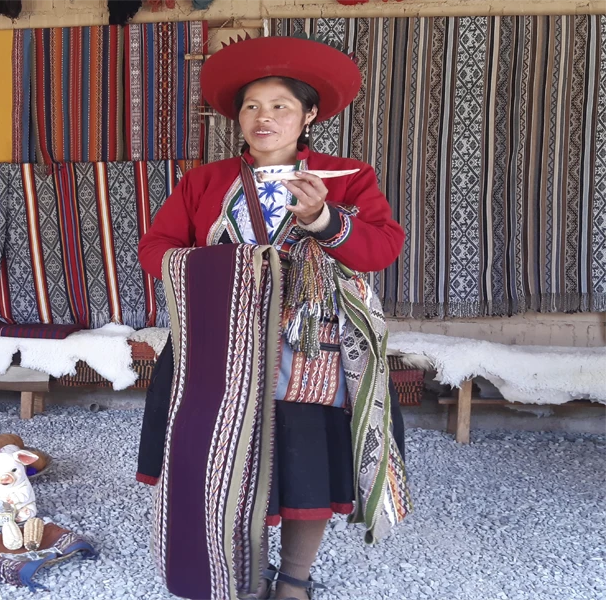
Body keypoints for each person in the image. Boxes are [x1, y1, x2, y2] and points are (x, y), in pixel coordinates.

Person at [136, 36, 410, 600]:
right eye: (252, 106)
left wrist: (325, 219)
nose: (265, 118)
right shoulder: (204, 182)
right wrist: (235, 270)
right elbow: (156, 247)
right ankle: (236, 564)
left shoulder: (347, 177)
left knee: (304, 461)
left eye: (281, 105)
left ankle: (294, 579)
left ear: (309, 115)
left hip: (309, 348)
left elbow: (381, 248)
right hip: (219, 344)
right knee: (221, 456)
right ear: (238, 118)